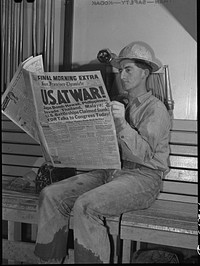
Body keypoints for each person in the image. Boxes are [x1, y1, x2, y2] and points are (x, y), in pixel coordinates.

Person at [34, 41, 171, 264]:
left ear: (145, 73)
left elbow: (145, 155)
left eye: (129, 70)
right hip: (111, 172)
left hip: (144, 178)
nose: (122, 76)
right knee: (50, 195)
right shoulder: (118, 103)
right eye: (120, 70)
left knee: (86, 206)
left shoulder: (156, 109)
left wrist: (122, 123)